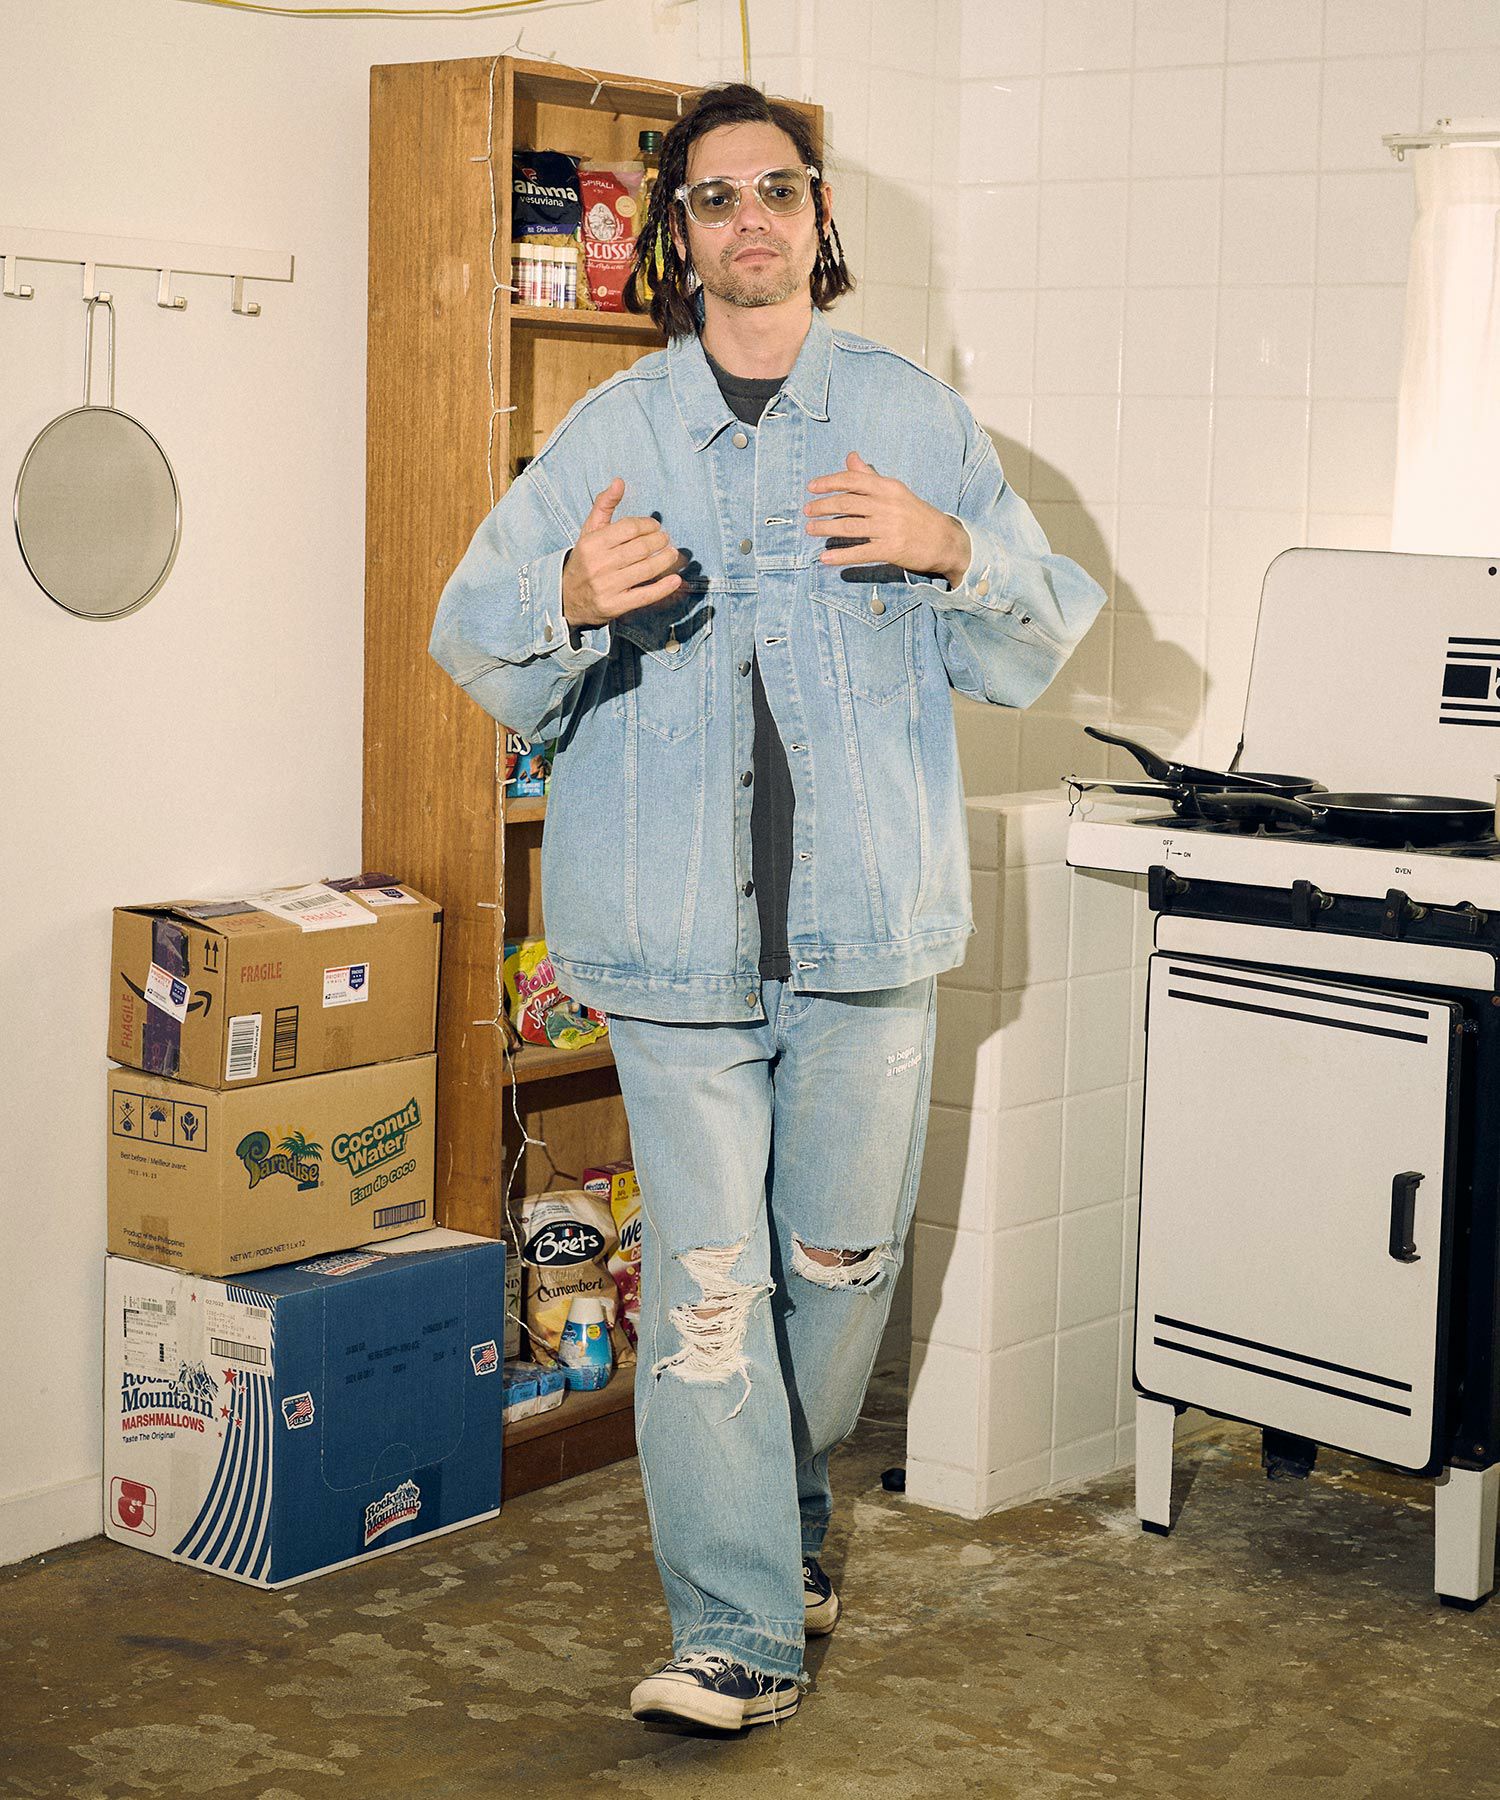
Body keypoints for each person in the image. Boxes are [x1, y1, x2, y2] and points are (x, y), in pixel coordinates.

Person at [430, 82, 1106, 1733]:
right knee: (713, 1286)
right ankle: (735, 1628)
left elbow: (1032, 645)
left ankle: (784, 1520)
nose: (750, 219)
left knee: (840, 1270)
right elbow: (473, 638)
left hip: (869, 935)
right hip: (669, 950)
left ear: (818, 216)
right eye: (716, 196)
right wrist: (567, 598)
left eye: (778, 190)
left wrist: (950, 550)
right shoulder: (613, 435)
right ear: (677, 232)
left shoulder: (915, 423)